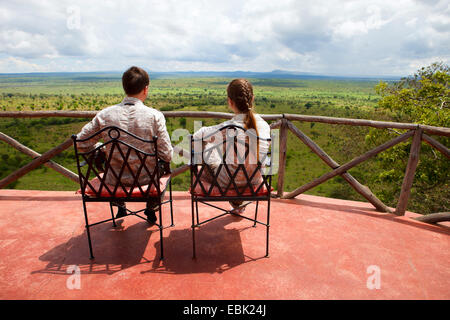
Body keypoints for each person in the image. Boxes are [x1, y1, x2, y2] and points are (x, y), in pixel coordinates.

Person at [76, 66, 173, 223]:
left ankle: (119, 203)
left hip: (113, 181)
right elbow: (166, 154)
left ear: (124, 88)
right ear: (146, 89)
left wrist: (101, 148)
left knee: (101, 153)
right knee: (166, 164)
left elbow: (81, 142)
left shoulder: (105, 115)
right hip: (147, 181)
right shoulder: (155, 116)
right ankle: (151, 206)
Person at [193, 78, 270, 214]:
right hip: (255, 180)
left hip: (228, 182)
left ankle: (236, 201)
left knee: (207, 146)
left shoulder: (230, 127)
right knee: (237, 162)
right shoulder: (265, 125)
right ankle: (238, 204)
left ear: (230, 101)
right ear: (252, 98)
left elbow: (198, 136)